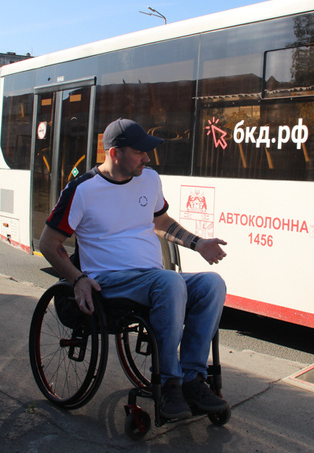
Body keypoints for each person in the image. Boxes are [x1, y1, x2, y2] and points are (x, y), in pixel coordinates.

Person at [39, 118, 230, 421]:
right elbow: (48, 243)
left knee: (212, 284)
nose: (147, 158)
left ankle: (192, 379)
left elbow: (161, 222)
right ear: (115, 153)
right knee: (169, 283)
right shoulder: (83, 189)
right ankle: (169, 383)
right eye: (140, 152)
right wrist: (77, 279)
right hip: (110, 280)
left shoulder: (150, 179)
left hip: (152, 278)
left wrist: (197, 243)